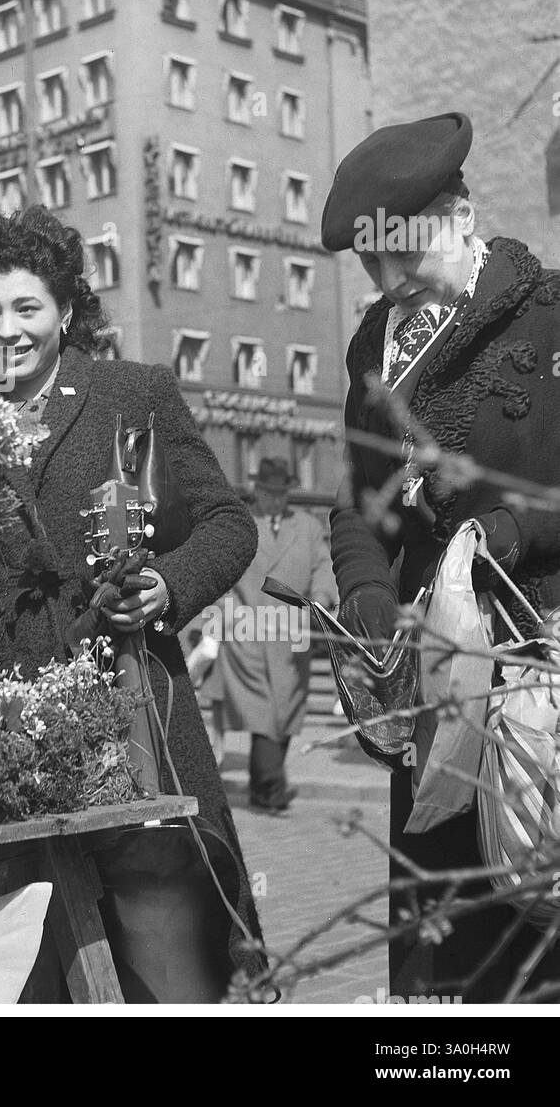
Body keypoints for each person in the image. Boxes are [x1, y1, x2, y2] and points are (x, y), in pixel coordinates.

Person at [0, 206, 266, 1002]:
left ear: (67, 311)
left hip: (128, 714)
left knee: (166, 963)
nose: (7, 330)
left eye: (27, 308)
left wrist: (168, 585)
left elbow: (226, 523)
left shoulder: (130, 396)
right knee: (21, 966)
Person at [323, 110, 560, 1000]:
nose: (387, 282)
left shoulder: (549, 315)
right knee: (446, 950)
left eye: (401, 253)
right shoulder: (374, 347)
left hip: (543, 675)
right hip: (439, 686)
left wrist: (506, 534)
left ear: (460, 215)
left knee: (537, 924)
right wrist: (366, 591)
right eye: (369, 262)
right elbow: (361, 497)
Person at [197, 458, 336, 814]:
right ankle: (272, 789)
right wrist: (224, 614)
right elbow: (220, 572)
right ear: (256, 491)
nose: (276, 500)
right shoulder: (240, 526)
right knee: (263, 714)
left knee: (285, 714)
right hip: (247, 634)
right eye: (268, 493)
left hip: (293, 636)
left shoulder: (306, 527)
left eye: (281, 494)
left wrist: (321, 598)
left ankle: (262, 787)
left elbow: (323, 566)